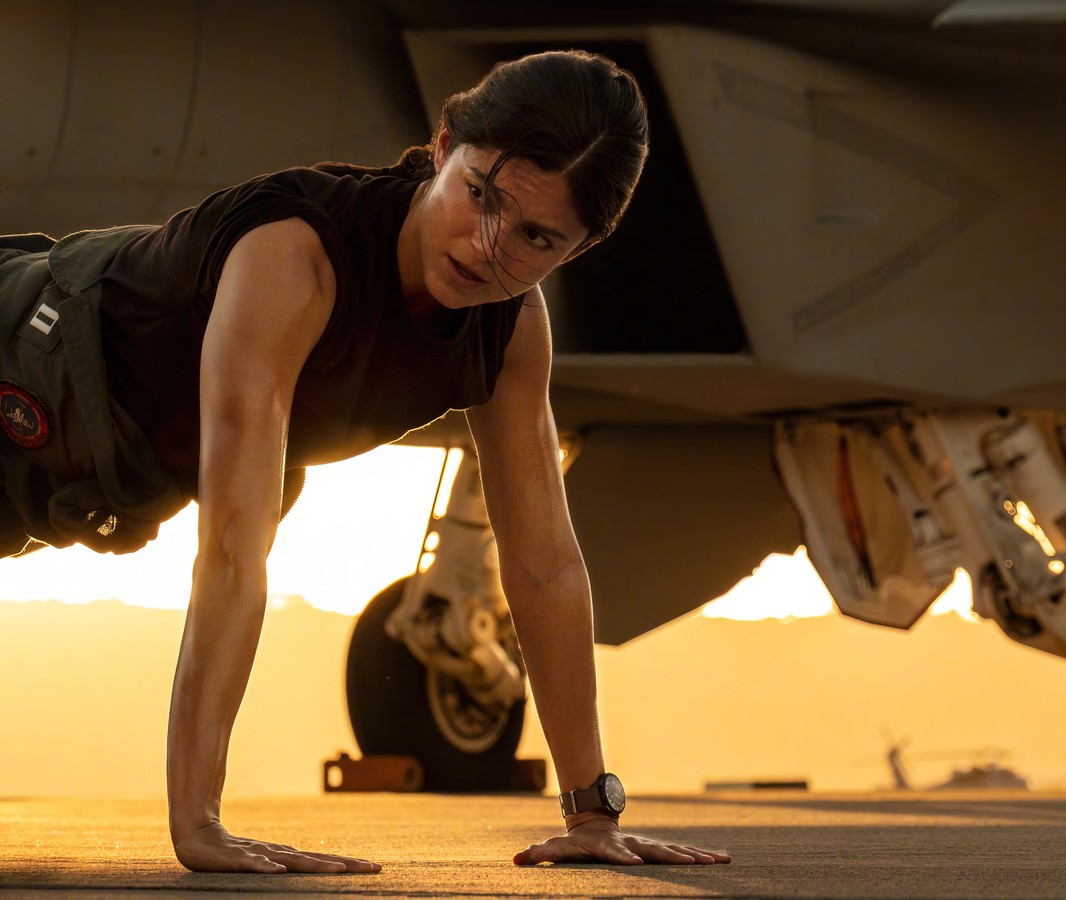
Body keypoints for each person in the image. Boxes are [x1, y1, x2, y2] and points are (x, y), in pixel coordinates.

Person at [0, 49, 730, 872]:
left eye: (535, 237)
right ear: (444, 141)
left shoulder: (509, 331)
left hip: (72, 477)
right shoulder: (295, 255)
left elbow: (545, 563)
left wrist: (593, 811)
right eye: (479, 195)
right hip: (25, 367)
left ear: (581, 248)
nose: (487, 246)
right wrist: (199, 824)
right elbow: (235, 546)